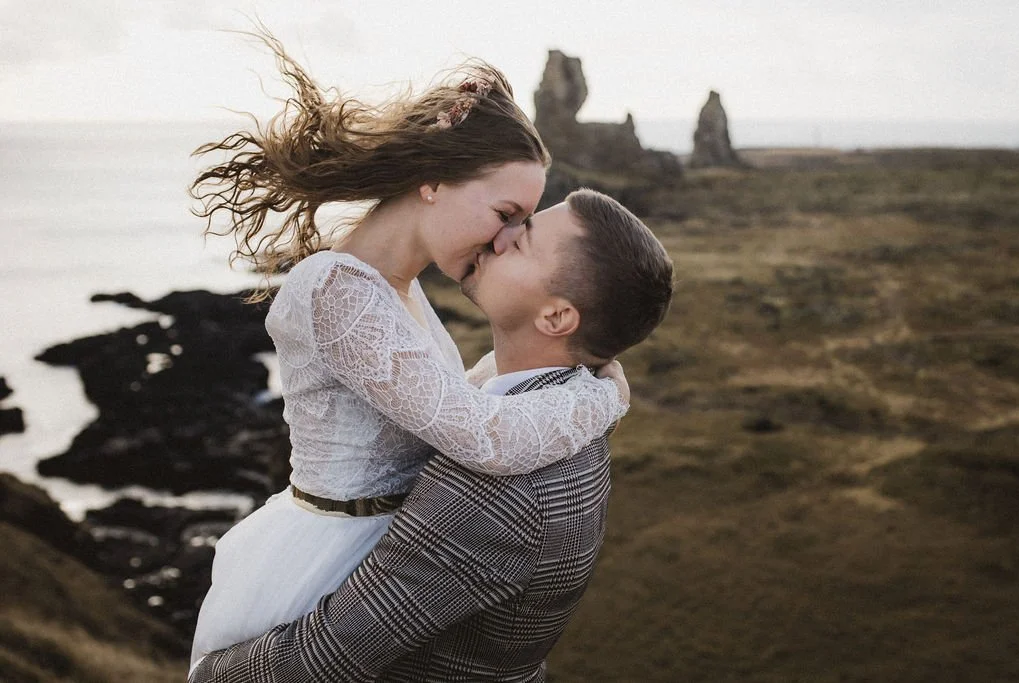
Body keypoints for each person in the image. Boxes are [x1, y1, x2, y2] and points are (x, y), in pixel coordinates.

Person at [187, 33, 629, 671]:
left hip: (381, 552)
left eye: (521, 224)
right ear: (434, 182)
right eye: (506, 212)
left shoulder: (396, 286)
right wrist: (600, 394)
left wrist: (562, 371)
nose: (504, 241)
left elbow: (446, 399)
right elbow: (485, 438)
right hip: (326, 554)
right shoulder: (339, 289)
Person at [189, 188, 675, 682]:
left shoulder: (495, 488)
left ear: (555, 317)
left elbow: (328, 655)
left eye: (523, 239)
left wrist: (207, 674)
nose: (500, 236)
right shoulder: (567, 411)